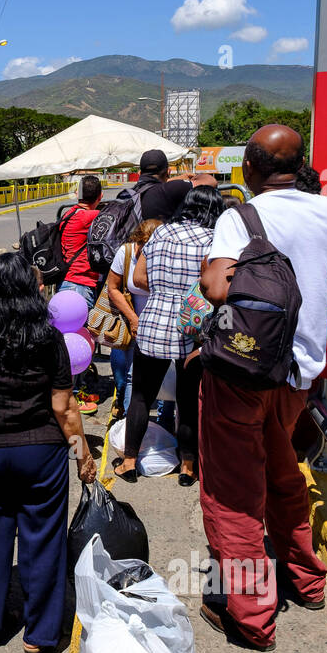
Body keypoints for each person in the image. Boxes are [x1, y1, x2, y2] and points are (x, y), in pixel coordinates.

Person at [197, 124, 327, 652]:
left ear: (249, 167)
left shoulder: (239, 217)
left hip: (242, 376)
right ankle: (306, 580)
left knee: (232, 493)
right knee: (282, 473)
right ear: (300, 165)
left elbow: (216, 286)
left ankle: (253, 616)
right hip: (299, 377)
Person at [0, 252, 97, 653]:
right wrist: (83, 454)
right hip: (41, 454)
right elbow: (64, 408)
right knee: (43, 541)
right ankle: (41, 636)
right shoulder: (47, 336)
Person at [114, 187, 227, 485]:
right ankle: (188, 467)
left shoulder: (160, 234)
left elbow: (137, 279)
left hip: (153, 321)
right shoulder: (213, 242)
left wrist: (166, 288)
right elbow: (216, 287)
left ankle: (128, 462)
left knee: (141, 396)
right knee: (188, 398)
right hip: (193, 326)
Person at [103, 218, 162, 421]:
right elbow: (113, 288)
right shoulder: (126, 252)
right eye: (142, 247)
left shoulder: (166, 254)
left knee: (164, 378)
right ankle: (128, 423)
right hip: (132, 324)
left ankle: (164, 423)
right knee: (131, 376)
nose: (145, 252)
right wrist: (134, 319)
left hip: (161, 324)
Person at [57, 175, 103, 413]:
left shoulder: (70, 214)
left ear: (78, 195)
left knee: (63, 343)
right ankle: (74, 394)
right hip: (81, 287)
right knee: (79, 344)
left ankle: (64, 392)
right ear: (100, 197)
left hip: (66, 286)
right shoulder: (91, 216)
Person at [134, 149, 218, 222]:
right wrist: (194, 176)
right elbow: (211, 181)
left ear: (140, 173)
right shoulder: (170, 189)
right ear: (168, 172)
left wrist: (171, 180)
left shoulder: (131, 192)